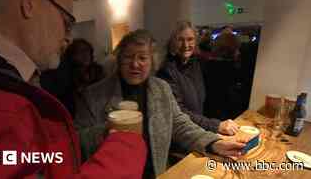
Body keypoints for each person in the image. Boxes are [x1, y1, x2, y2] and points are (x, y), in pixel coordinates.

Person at [0, 0, 146, 178]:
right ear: (29, 1)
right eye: (67, 22)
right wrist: (124, 148)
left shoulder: (12, 81)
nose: (69, 37)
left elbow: (47, 161)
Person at [74, 29, 247, 178]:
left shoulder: (161, 88)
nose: (135, 64)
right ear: (119, 60)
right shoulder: (93, 95)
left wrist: (213, 142)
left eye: (142, 58)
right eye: (128, 57)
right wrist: (107, 131)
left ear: (152, 62)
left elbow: (180, 124)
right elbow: (77, 142)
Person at [157, 21, 239, 135]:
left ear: (196, 41)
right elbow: (179, 111)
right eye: (180, 40)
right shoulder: (166, 71)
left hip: (198, 130)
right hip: (181, 136)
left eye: (190, 39)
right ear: (172, 42)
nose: (186, 45)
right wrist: (215, 125)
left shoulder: (196, 64)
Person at [41, 38, 105, 117]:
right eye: (80, 52)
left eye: (87, 50)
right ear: (72, 55)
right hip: (75, 114)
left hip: (98, 109)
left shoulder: (97, 70)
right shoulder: (66, 73)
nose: (85, 54)